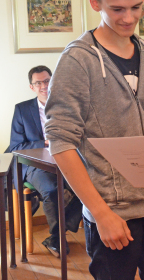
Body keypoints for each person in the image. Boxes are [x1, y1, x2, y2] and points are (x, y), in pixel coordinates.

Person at [44, 0, 144, 280]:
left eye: (136, 7)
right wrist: (101, 213)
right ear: (96, 3)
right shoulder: (77, 61)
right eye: (117, 9)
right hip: (111, 214)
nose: (129, 18)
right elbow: (60, 142)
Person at [9, 65, 83, 258]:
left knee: (89, 186)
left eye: (47, 80)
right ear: (31, 87)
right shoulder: (22, 110)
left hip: (66, 161)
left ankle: (56, 237)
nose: (44, 86)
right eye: (38, 83)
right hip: (36, 165)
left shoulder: (67, 107)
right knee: (51, 190)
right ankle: (59, 239)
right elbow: (16, 146)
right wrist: (45, 142)